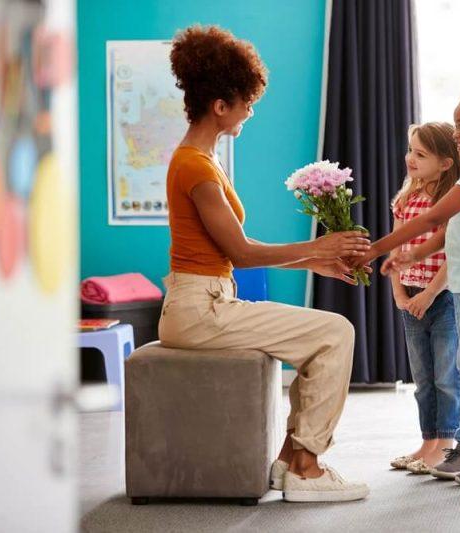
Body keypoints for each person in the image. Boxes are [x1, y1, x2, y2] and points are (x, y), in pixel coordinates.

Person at [158, 24, 370, 503]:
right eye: (246, 103)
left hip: (205, 302)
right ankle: (307, 468)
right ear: (220, 105)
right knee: (337, 332)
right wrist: (320, 247)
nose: (250, 112)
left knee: (327, 335)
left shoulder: (201, 160)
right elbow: (243, 254)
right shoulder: (194, 164)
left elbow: (236, 246)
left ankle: (290, 462)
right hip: (200, 311)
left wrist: (311, 264)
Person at [359, 87, 460, 487]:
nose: (457, 131)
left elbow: (434, 219)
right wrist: (411, 257)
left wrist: (378, 249)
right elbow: (448, 232)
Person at [387, 122, 460, 474]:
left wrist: (430, 293)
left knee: (446, 377)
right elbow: (395, 248)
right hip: (412, 299)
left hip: (443, 298)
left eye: (420, 154)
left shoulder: (450, 204)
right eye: (410, 151)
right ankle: (428, 442)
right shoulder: (406, 200)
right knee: (422, 380)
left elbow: (454, 252)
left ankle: (445, 445)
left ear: (446, 163)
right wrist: (400, 293)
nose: (410, 159)